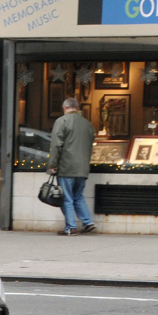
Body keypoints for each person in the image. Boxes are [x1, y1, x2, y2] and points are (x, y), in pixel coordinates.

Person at [48, 97, 97, 235]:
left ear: (64, 107)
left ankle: (71, 227)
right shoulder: (88, 124)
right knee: (78, 196)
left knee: (67, 197)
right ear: (78, 107)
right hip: (83, 168)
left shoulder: (61, 121)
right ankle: (88, 222)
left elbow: (56, 145)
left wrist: (52, 164)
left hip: (66, 166)